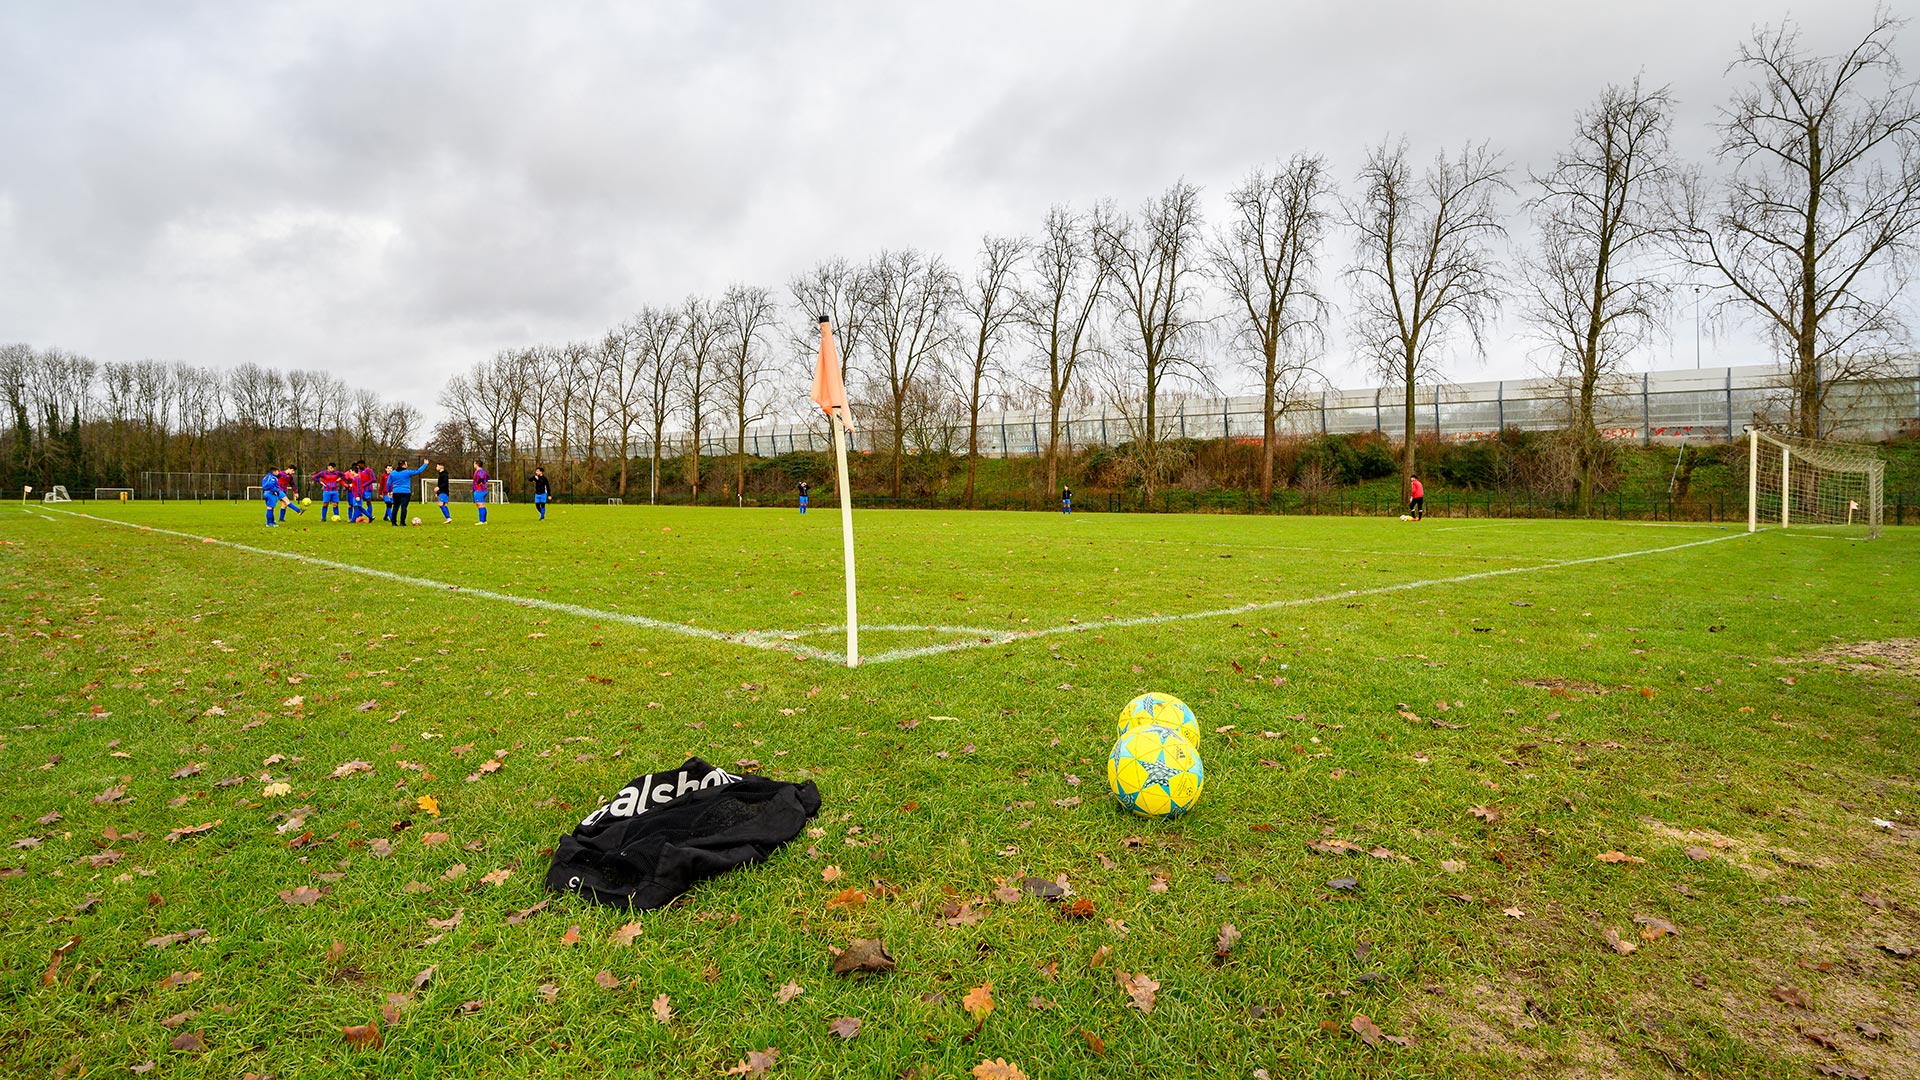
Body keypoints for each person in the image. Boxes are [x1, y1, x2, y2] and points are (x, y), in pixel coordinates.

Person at [387, 458, 429, 525]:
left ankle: (393, 523)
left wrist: (389, 491)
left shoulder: (392, 473)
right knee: (404, 507)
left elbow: (388, 483)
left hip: (396, 492)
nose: (407, 465)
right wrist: (425, 464)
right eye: (406, 464)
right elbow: (418, 471)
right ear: (403, 465)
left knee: (395, 507)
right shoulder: (407, 472)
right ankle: (402, 522)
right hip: (405, 492)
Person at [470, 459, 491, 525]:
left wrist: (479, 482)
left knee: (480, 505)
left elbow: (481, 477)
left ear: (476, 464)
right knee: (482, 505)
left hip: (480, 490)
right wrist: (484, 482)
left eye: (474, 464)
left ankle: (482, 521)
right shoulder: (482, 471)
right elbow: (488, 477)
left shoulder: (479, 471)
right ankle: (484, 521)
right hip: (483, 489)